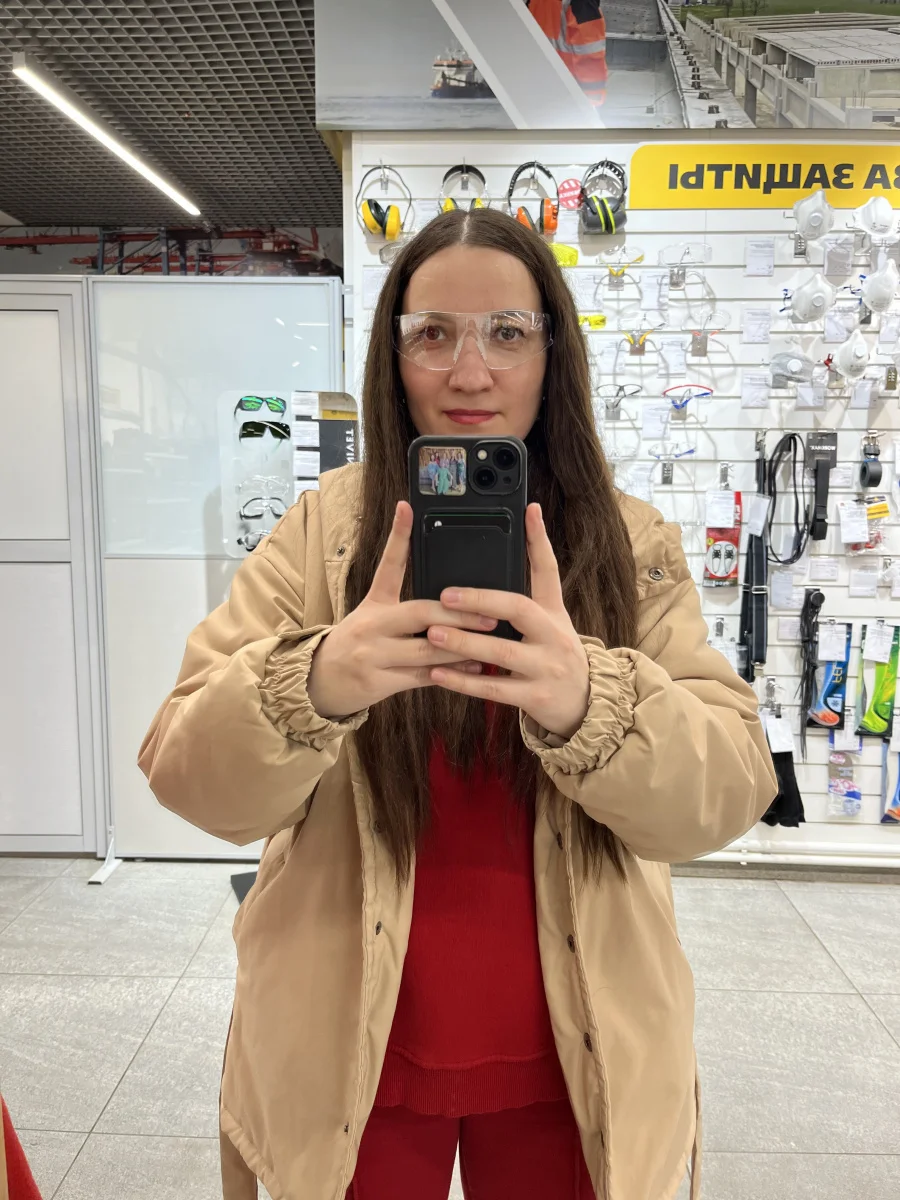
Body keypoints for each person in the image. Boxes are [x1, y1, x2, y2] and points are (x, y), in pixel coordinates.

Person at [138, 207, 777, 1200]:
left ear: (551, 356)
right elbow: (187, 772)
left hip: (580, 1057)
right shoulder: (320, 535)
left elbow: (729, 789)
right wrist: (313, 681)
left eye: (507, 333)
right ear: (393, 357)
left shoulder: (629, 542)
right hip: (348, 1055)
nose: (470, 373)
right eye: (432, 333)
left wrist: (593, 706)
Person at [526, 0, 608, 107]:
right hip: (569, 88)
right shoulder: (584, 3)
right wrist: (593, 92)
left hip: (537, 80)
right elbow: (588, 49)